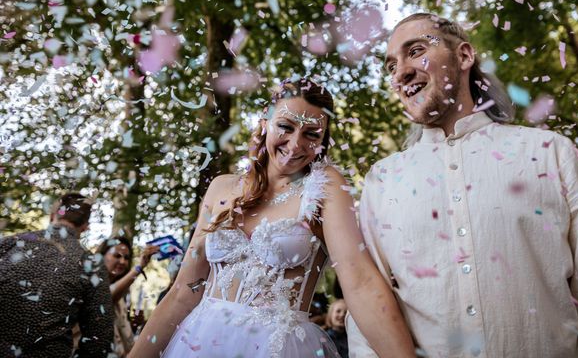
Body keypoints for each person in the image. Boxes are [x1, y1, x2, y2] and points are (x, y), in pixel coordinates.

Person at [347, 12, 578, 357]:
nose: (401, 72)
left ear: (464, 56)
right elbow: (368, 315)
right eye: (390, 65)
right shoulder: (382, 181)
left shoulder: (549, 153)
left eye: (415, 51)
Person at [129, 78, 416, 358]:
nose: (295, 144)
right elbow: (183, 292)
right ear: (265, 123)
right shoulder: (221, 187)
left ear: (323, 141)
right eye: (285, 126)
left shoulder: (325, 188)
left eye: (311, 134)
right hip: (199, 342)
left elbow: (359, 282)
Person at [0, 193, 114, 357]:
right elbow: (100, 337)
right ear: (85, 226)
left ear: (52, 215)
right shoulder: (90, 262)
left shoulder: (9, 244)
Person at [98, 236, 159, 357]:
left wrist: (136, 325)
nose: (122, 262)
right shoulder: (92, 286)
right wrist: (139, 267)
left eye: (126, 258)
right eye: (117, 256)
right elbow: (107, 296)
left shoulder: (122, 295)